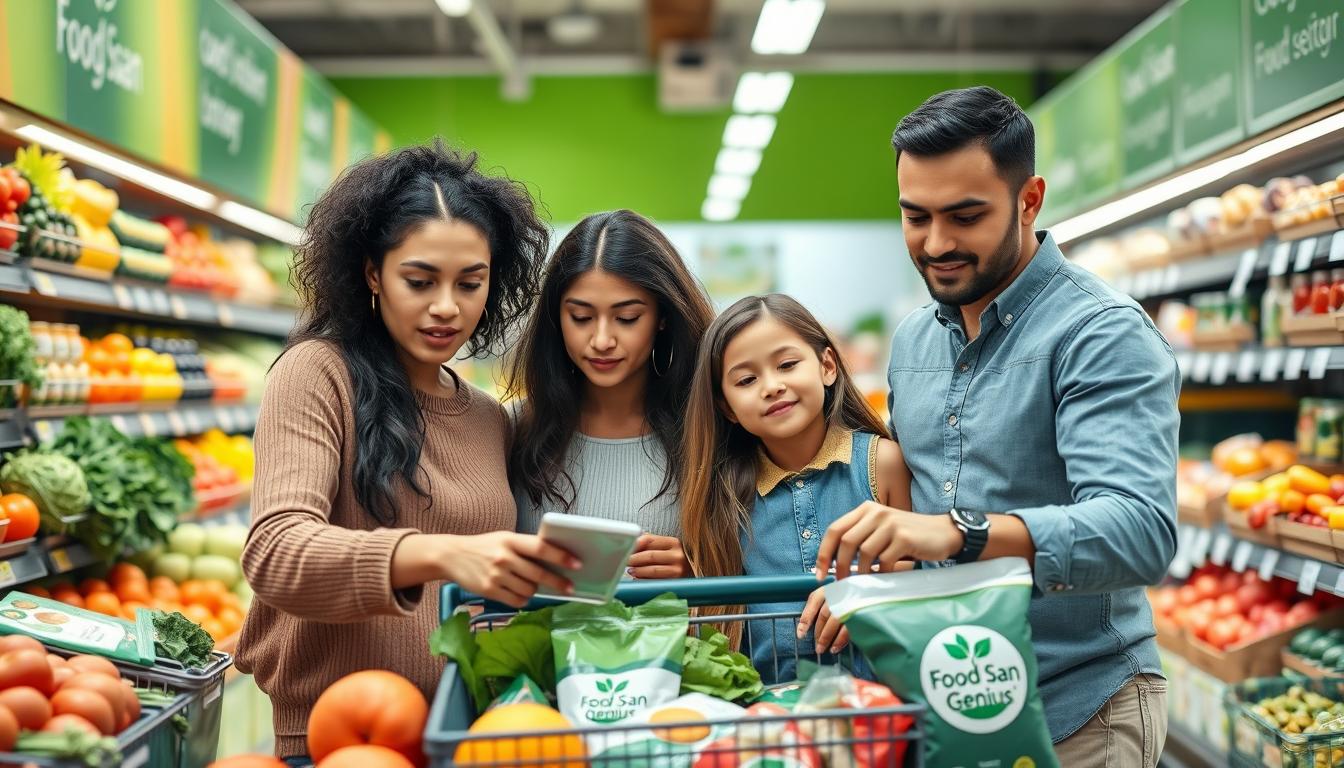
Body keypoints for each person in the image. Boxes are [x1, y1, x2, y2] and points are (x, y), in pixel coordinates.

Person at [813, 86, 1179, 766]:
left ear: (1030, 200)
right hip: (953, 699)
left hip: (1077, 708)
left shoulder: (1099, 333)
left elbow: (1141, 532)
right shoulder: (915, 341)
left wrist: (959, 531)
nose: (936, 243)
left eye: (965, 216)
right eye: (914, 217)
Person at [235, 142, 580, 764]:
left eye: (470, 283)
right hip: (337, 741)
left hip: (463, 736)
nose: (447, 306)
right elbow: (276, 551)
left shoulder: (486, 417)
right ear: (372, 273)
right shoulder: (317, 375)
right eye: (419, 281)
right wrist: (440, 554)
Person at [681, 293, 911, 684]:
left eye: (787, 365)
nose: (772, 386)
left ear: (826, 366)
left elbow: (917, 569)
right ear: (727, 408)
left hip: (887, 709)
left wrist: (862, 593)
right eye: (747, 380)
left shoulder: (882, 462)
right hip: (772, 713)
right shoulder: (723, 496)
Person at [509, 209, 714, 579]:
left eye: (628, 318)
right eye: (581, 317)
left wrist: (700, 571)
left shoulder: (708, 430)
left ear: (662, 316)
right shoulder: (512, 429)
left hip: (673, 638)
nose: (602, 340)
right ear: (557, 318)